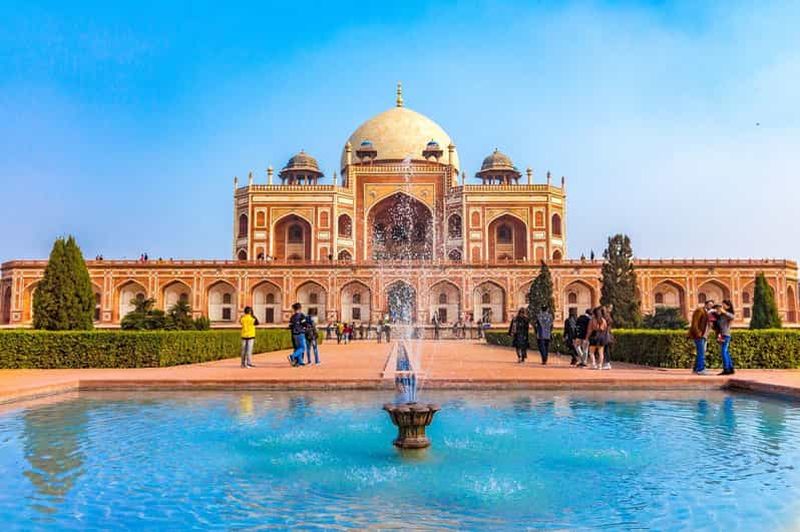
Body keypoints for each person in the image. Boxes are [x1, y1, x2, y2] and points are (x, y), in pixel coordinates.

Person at [688, 300, 714, 375]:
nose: (710, 306)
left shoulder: (707, 312)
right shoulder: (700, 311)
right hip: (699, 335)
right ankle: (700, 369)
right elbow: (695, 323)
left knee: (701, 352)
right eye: (709, 305)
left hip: (704, 335)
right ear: (705, 304)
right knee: (701, 352)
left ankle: (696, 369)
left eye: (712, 305)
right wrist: (698, 333)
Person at [715, 300, 736, 375]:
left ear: (728, 306)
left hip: (726, 334)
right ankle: (730, 368)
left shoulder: (727, 314)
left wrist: (724, 312)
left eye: (724, 305)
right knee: (726, 352)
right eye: (722, 305)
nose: (722, 307)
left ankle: (726, 369)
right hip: (722, 334)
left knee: (723, 351)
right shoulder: (722, 315)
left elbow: (733, 317)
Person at [288, 302, 307, 367]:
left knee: (297, 348)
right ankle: (292, 356)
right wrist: (304, 328)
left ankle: (299, 362)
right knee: (303, 348)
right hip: (300, 333)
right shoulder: (302, 315)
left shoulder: (292, 317)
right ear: (300, 308)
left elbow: (290, 326)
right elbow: (305, 324)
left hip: (293, 334)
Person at [601, 305, 614, 370]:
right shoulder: (608, 317)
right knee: (607, 349)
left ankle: (606, 363)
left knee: (605, 349)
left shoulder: (603, 318)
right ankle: (607, 363)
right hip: (609, 335)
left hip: (605, 335)